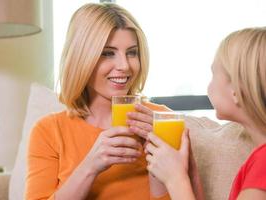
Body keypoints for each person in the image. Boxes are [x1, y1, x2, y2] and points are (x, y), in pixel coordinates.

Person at [25, 3, 174, 200]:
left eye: (132, 52)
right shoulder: (49, 131)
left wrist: (159, 164)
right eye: (108, 53)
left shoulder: (161, 120)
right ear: (81, 58)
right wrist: (90, 166)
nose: (124, 66)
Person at [145, 27, 266, 200]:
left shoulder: (263, 163)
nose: (208, 86)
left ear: (236, 90)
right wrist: (190, 176)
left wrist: (175, 179)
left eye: (213, 75)